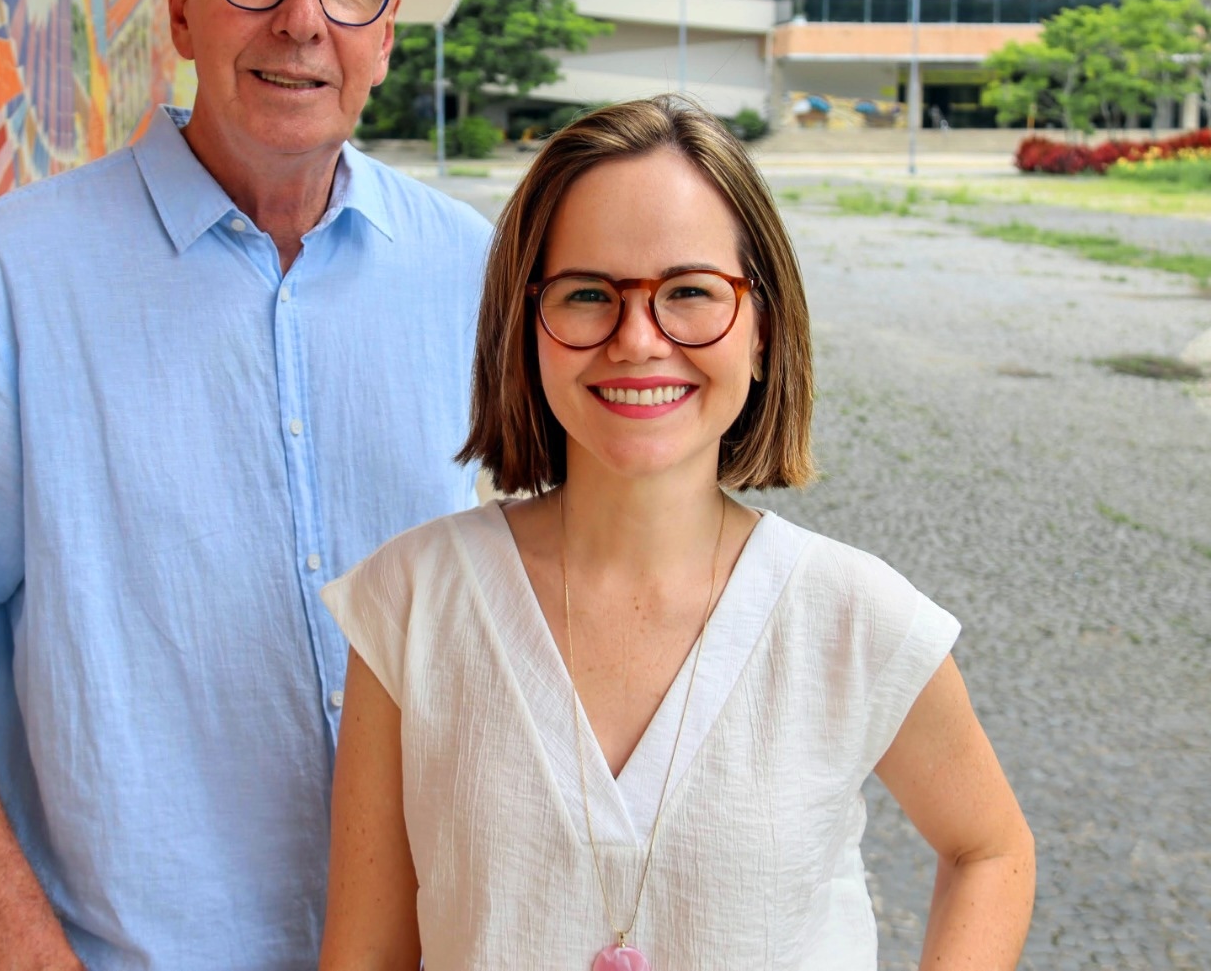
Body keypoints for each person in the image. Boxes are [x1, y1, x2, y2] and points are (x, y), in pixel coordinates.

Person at [0, 0, 492, 971]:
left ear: (386, 31)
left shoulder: (475, 270)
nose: (300, 18)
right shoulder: (6, 278)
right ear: (181, 5)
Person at [319, 96, 1035, 970]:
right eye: (589, 294)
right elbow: (367, 951)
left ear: (763, 329)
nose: (637, 339)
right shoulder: (410, 604)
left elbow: (989, 849)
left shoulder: (850, 614)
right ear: (525, 324)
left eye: (690, 291)